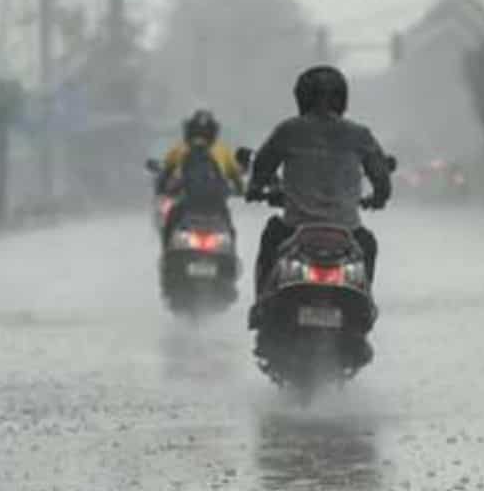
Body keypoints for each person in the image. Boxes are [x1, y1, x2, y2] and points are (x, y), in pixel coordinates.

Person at [245, 65, 391, 327]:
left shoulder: (288, 131)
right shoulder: (360, 135)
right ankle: (364, 310)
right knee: (368, 244)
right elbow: (381, 178)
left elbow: (262, 167)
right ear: (342, 98)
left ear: (302, 97)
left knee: (270, 239)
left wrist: (256, 188)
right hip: (348, 231)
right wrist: (379, 197)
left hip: (293, 229)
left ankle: (260, 307)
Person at [159, 109, 243, 241]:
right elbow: (237, 177)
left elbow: (165, 174)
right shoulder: (223, 150)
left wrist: (164, 188)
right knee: (229, 230)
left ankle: (166, 255)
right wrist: (240, 190)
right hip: (217, 205)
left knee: (170, 222)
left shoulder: (179, 149)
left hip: (188, 204)